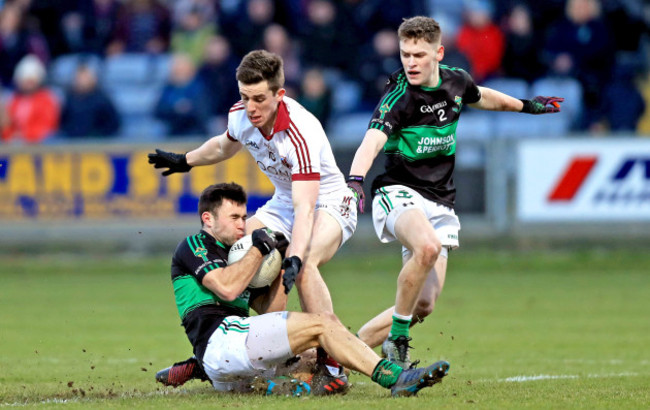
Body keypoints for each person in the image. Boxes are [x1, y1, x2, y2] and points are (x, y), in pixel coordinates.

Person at [346, 16, 563, 368]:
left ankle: (344, 352)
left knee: (424, 304)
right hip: (399, 192)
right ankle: (397, 338)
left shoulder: (456, 81)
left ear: (439, 53)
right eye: (405, 54)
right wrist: (355, 179)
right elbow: (371, 141)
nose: (411, 63)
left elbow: (484, 97)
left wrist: (527, 105)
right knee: (427, 247)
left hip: (440, 200)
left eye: (419, 55)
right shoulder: (398, 97)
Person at [148, 49, 357, 370]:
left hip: (329, 202)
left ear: (280, 94)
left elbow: (305, 210)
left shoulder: (301, 133)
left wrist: (296, 256)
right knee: (228, 245)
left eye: (259, 98)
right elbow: (222, 146)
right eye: (245, 97)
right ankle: (216, 345)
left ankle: (332, 367)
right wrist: (184, 160)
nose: (251, 107)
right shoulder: (241, 115)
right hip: (284, 202)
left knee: (306, 266)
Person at [155, 182, 449, 397]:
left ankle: (199, 369)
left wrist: (281, 263)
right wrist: (259, 248)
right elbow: (227, 288)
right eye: (235, 218)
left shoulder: (239, 254)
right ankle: (395, 378)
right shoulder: (195, 245)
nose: (242, 225)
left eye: (245, 218)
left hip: (235, 358)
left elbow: (271, 314)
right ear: (208, 219)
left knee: (318, 355)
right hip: (221, 342)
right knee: (324, 324)